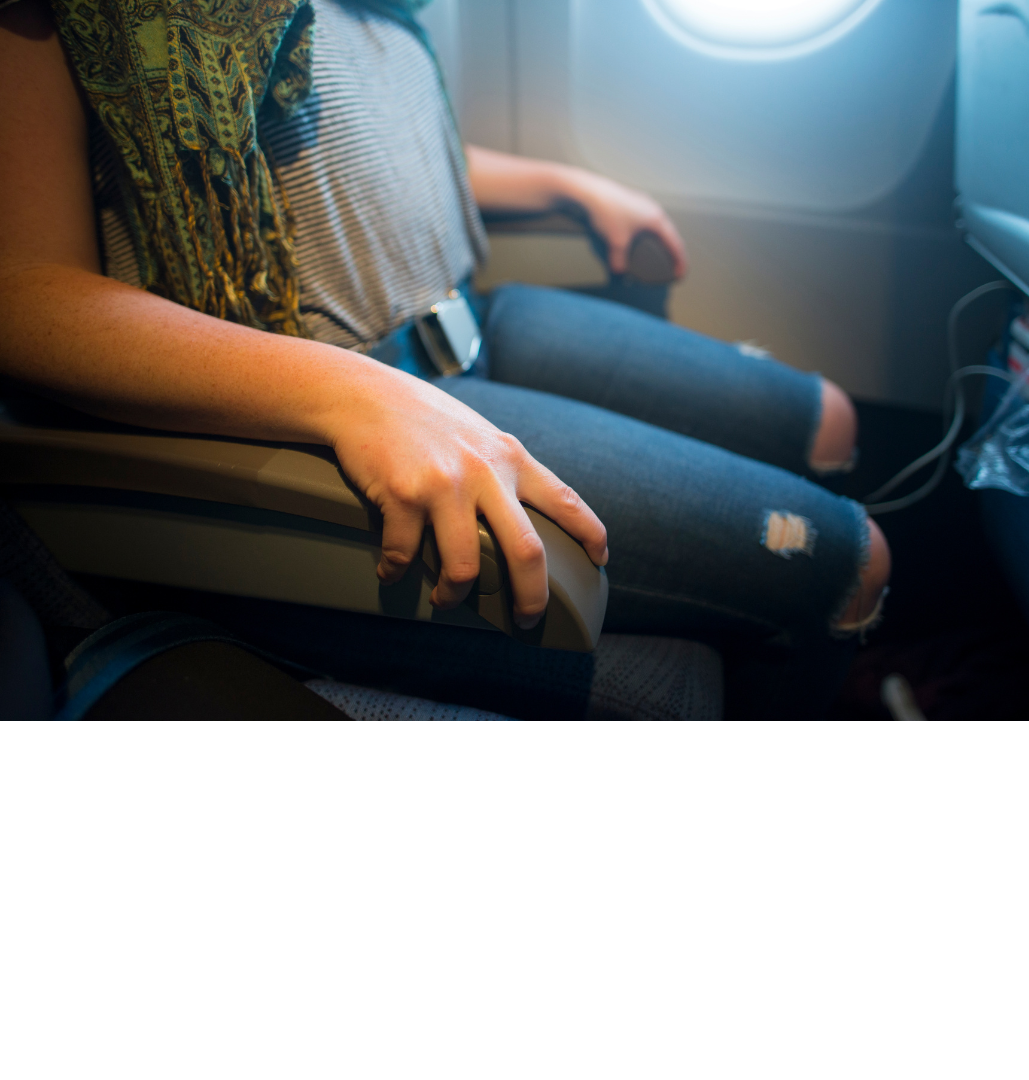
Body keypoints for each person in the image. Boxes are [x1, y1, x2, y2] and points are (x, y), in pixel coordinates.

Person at [0, 0, 890, 718]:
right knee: (848, 564)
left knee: (829, 420)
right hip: (329, 395)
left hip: (463, 327)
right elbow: (24, 290)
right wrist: (352, 394)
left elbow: (356, 142)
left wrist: (565, 184)